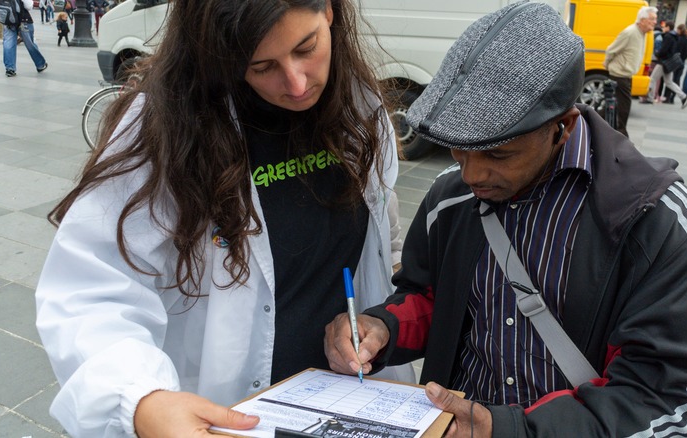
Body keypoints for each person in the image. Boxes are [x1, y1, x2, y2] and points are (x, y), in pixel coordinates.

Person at [325, 3, 687, 437]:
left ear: (562, 126)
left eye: (498, 154)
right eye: (458, 149)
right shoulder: (450, 197)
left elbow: (675, 388)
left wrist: (512, 430)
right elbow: (428, 296)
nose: (472, 174)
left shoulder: (655, 220)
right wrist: (382, 328)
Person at [35, 0, 414, 436]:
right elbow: (89, 288)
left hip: (352, 399)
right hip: (229, 413)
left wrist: (377, 317)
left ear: (328, 11)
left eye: (306, 47)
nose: (295, 83)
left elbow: (381, 233)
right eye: (261, 66)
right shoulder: (166, 125)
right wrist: (141, 401)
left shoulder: (360, 108)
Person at [603, 6, 657, 137]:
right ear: (642, 20)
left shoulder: (642, 33)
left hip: (626, 75)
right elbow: (611, 50)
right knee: (623, 107)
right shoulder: (630, 32)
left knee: (615, 106)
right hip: (619, 74)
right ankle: (622, 135)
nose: (655, 22)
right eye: (652, 19)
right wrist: (608, 65)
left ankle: (599, 126)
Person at [644, 21, 687, 107]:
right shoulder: (674, 37)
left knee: (652, 79)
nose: (663, 28)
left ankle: (650, 98)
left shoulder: (668, 36)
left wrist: (657, 54)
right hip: (669, 62)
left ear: (668, 27)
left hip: (663, 62)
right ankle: (683, 96)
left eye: (664, 27)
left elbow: (664, 49)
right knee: (669, 82)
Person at [2, 0, 48, 77]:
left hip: (8, 20)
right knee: (30, 43)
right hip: (23, 20)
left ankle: (10, 68)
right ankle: (40, 64)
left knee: (8, 44)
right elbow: (29, 6)